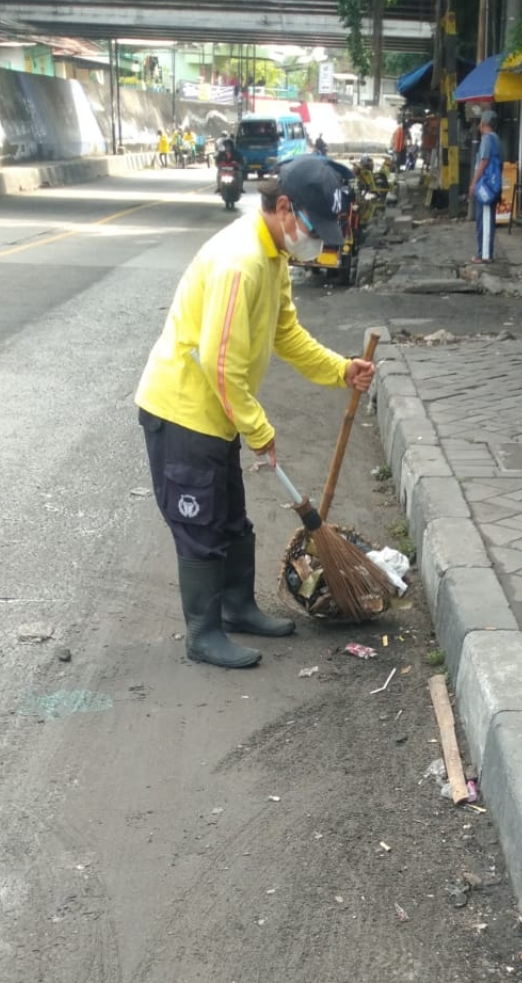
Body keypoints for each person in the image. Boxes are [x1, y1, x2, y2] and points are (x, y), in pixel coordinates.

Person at [134, 155, 376, 669]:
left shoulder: (273, 257)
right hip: (183, 412)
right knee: (199, 525)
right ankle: (203, 634)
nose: (317, 241)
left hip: (219, 414)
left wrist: (340, 369)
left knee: (232, 521)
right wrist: (260, 429)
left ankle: (239, 608)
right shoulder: (239, 262)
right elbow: (219, 365)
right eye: (314, 227)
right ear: (284, 208)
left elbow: (284, 332)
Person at [469, 110, 502, 265]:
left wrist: (473, 183)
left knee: (485, 220)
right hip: (491, 185)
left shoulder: (487, 139)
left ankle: (485, 255)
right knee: (484, 220)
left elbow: (483, 162)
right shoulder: (496, 139)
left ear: (483, 124)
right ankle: (483, 253)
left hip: (486, 187)